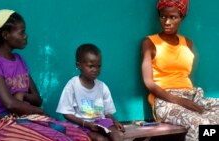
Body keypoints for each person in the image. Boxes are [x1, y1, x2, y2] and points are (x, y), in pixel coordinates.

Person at [0, 9, 91, 141]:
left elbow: (37, 100)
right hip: (3, 122)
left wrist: (23, 95)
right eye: (21, 32)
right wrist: (37, 111)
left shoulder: (19, 60)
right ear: (5, 35)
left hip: (28, 117)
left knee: (80, 136)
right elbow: (9, 104)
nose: (25, 36)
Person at [141, 0, 219, 141]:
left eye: (173, 17)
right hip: (165, 101)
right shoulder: (150, 43)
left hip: (191, 96)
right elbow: (149, 83)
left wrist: (188, 100)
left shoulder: (188, 43)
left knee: (214, 119)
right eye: (163, 17)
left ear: (181, 18)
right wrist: (181, 101)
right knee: (200, 124)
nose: (167, 22)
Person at [56, 44, 125, 141]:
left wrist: (115, 121)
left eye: (99, 66)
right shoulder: (72, 85)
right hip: (80, 125)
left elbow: (108, 113)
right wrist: (87, 124)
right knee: (100, 139)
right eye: (91, 66)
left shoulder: (102, 87)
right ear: (79, 65)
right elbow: (66, 114)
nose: (95, 70)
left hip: (101, 123)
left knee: (119, 135)